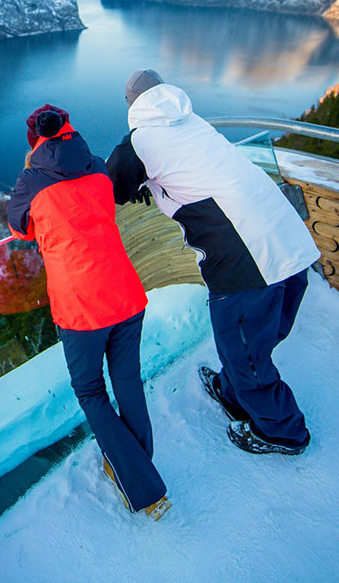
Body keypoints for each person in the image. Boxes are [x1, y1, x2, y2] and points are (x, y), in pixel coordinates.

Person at [106, 70, 320, 456]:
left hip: (246, 261)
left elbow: (106, 188)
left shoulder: (139, 142)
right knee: (255, 341)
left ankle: (283, 433)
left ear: (131, 103)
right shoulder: (193, 121)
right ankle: (231, 394)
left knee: (245, 352)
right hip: (291, 243)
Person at [7, 103, 170, 519]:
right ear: (69, 129)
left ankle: (143, 486)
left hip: (81, 306)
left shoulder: (31, 180)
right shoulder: (97, 167)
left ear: (35, 141)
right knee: (127, 381)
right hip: (125, 291)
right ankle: (136, 461)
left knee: (91, 392)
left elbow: (19, 228)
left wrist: (32, 175)